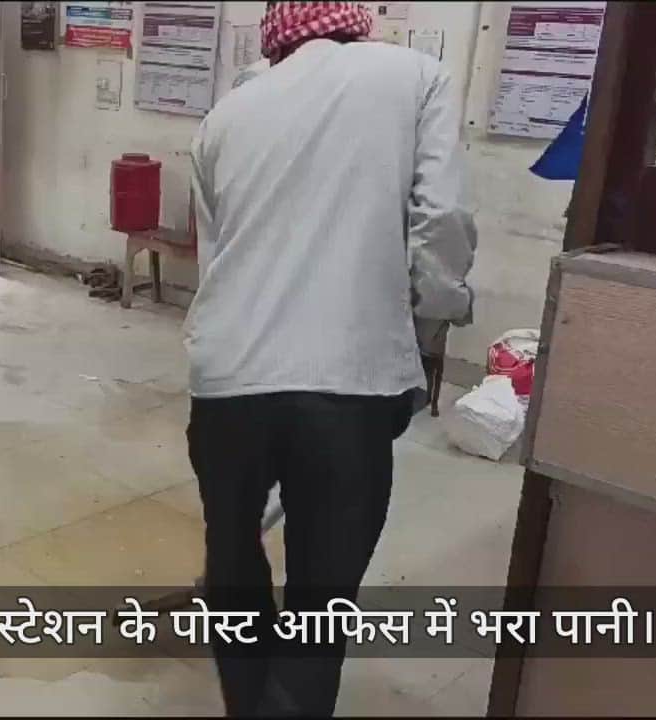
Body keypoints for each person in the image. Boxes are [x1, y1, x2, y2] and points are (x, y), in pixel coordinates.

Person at [184, 1, 476, 716]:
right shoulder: (416, 76)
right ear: (354, 19)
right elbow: (439, 220)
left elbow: (214, 257)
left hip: (227, 380)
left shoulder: (227, 113)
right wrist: (437, 307)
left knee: (232, 557)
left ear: (275, 29)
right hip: (347, 383)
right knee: (320, 597)